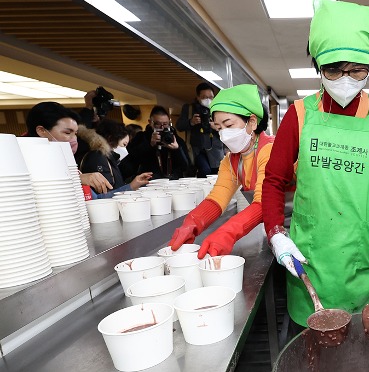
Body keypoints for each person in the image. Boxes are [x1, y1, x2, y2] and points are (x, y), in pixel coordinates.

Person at [262, 0, 369, 331]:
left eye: (357, 69)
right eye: (334, 69)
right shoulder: (300, 115)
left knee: (368, 348)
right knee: (315, 354)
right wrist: (276, 234)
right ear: (318, 66)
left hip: (368, 262)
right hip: (313, 263)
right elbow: (273, 181)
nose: (346, 78)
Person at [169, 84, 290, 259]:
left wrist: (228, 232)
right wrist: (191, 223)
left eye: (229, 125)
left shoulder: (270, 150)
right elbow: (217, 198)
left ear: (252, 122)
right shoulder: (232, 161)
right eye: (219, 128)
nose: (224, 134)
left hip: (300, 226)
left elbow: (264, 202)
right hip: (276, 229)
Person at [24, 101, 113, 195]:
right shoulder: (25, 162)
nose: (74, 139)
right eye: (67, 133)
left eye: (75, 133)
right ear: (41, 131)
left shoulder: (65, 162)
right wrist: (76, 179)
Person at [78, 119, 151, 195]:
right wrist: (130, 187)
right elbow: (105, 193)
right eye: (124, 144)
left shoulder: (108, 158)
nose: (124, 149)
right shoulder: (97, 157)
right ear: (111, 139)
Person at [122, 106, 190, 180]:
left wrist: (177, 150)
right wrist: (149, 145)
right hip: (149, 181)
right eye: (158, 124)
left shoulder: (176, 140)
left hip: (173, 181)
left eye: (165, 124)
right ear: (150, 122)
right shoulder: (141, 137)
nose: (162, 127)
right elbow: (130, 163)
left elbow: (186, 167)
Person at [177, 82, 224, 177]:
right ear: (198, 97)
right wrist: (191, 122)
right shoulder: (189, 109)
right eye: (204, 97)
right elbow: (179, 126)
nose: (208, 100)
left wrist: (217, 127)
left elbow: (228, 128)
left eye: (211, 97)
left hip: (215, 149)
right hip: (197, 149)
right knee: (204, 171)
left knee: (217, 175)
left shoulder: (218, 109)